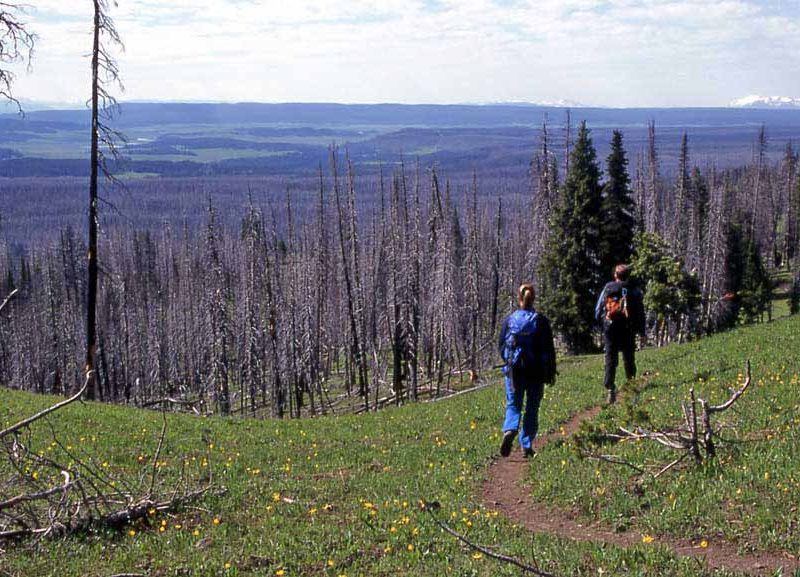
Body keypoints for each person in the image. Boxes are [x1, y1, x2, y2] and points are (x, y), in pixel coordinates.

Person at [497, 284, 557, 458]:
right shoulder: (541, 321)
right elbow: (549, 349)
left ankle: (510, 429)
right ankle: (526, 444)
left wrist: (509, 362)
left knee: (514, 404)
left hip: (515, 371)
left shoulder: (509, 320)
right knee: (532, 407)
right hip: (536, 370)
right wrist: (550, 371)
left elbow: (502, 346)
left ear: (519, 298)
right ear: (533, 299)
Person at [594, 264, 646, 404]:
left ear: (615, 275)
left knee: (610, 357)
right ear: (628, 276)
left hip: (610, 328)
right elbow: (640, 312)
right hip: (628, 328)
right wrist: (642, 331)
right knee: (629, 358)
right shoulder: (634, 290)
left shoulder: (608, 288)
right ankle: (632, 387)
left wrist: (603, 322)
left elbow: (598, 310)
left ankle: (610, 388)